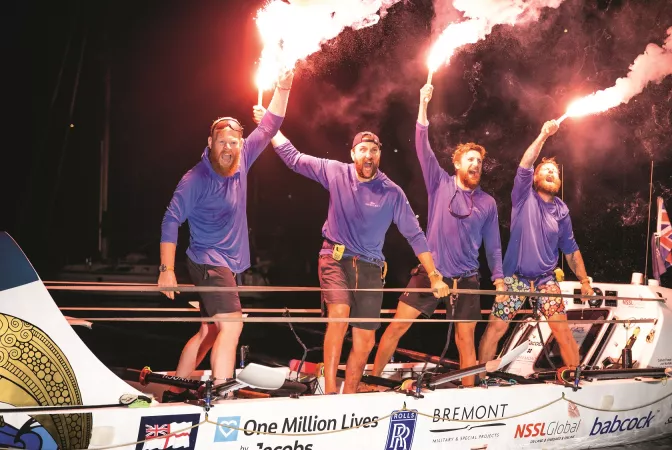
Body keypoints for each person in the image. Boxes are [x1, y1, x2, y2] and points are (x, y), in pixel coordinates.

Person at [268, 127, 450, 395]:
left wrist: (434, 275)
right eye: (363, 150)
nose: (368, 155)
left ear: (379, 156)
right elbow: (293, 158)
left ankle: (350, 395)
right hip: (334, 258)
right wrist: (271, 126)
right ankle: (331, 392)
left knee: (365, 340)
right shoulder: (335, 172)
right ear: (353, 153)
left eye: (374, 150)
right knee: (339, 316)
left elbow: (415, 235)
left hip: (370, 267)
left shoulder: (392, 192)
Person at [157, 71, 294, 402]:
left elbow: (271, 124)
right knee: (232, 327)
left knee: (209, 331)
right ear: (210, 144)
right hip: (208, 263)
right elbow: (171, 219)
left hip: (223, 264)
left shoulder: (245, 155)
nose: (230, 148)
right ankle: (218, 394)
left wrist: (285, 85)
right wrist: (167, 270)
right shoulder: (195, 179)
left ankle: (176, 390)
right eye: (222, 142)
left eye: (234, 141)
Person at [370, 83, 505, 387]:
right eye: (470, 159)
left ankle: (469, 397)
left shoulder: (487, 203)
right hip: (430, 274)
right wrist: (422, 104)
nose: (476, 164)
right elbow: (422, 146)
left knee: (465, 340)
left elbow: (494, 246)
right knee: (395, 328)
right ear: (457, 163)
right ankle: (374, 384)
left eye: (479, 161)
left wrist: (499, 279)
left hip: (467, 279)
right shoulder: (439, 183)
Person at [477, 120, 593, 380]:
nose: (551, 173)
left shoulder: (562, 210)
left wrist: (584, 281)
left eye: (555, 171)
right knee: (495, 330)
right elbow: (526, 163)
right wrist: (543, 135)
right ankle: (479, 381)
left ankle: (574, 379)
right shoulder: (523, 196)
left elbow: (571, 250)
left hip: (545, 281)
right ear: (536, 178)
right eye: (546, 170)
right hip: (515, 279)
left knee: (562, 331)